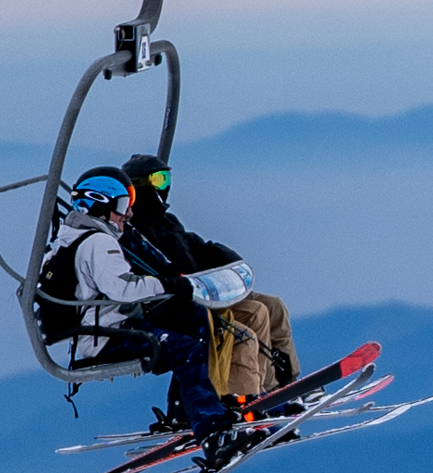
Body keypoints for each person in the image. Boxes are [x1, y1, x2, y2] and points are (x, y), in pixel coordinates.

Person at [40, 156, 300, 440]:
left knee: (270, 307)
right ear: (102, 203)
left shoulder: (152, 225)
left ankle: (276, 387)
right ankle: (233, 403)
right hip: (118, 327)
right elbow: (125, 287)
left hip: (176, 299)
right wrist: (172, 285)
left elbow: (192, 248)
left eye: (165, 179)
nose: (126, 213)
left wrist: (223, 260)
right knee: (232, 332)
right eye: (157, 181)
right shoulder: (105, 240)